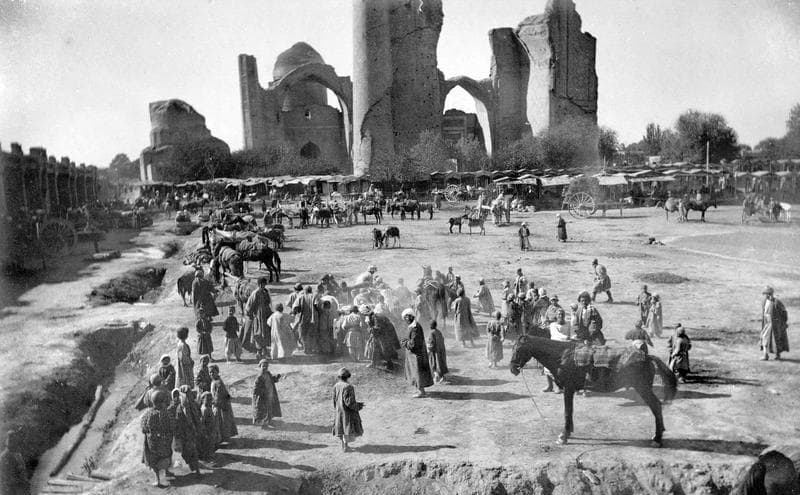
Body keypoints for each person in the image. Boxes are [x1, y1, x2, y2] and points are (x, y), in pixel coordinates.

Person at [141, 389, 174, 488]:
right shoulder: (166, 412)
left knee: (154, 461)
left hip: (152, 444)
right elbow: (170, 426)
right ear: (162, 401)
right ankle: (167, 472)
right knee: (166, 456)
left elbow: (144, 428)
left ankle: (158, 480)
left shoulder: (148, 414)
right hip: (165, 442)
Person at [401, 309, 434, 398]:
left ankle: (421, 392)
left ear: (411, 317)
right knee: (415, 371)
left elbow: (414, 343)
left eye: (406, 317)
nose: (405, 320)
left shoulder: (415, 328)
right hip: (414, 354)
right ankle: (419, 389)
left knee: (417, 371)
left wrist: (405, 342)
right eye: (405, 318)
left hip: (416, 354)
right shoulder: (413, 326)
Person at [332, 368, 364, 452]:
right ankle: (345, 447)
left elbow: (334, 399)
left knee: (341, 428)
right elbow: (349, 402)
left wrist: (336, 409)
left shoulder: (336, 385)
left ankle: (344, 446)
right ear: (347, 377)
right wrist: (358, 406)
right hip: (347, 412)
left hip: (339, 410)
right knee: (346, 428)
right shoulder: (348, 387)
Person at [173, 386, 201, 476]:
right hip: (187, 433)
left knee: (191, 451)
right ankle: (196, 469)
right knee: (190, 452)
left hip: (189, 433)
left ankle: (196, 470)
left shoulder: (185, 406)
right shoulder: (183, 407)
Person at [543, 309, 570, 393]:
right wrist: (566, 338)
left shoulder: (568, 324)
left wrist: (570, 338)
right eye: (559, 314)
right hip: (554, 347)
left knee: (561, 368)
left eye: (562, 314)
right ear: (556, 316)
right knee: (547, 366)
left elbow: (571, 334)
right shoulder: (552, 325)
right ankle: (550, 386)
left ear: (564, 315)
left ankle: (559, 387)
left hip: (565, 348)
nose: (560, 316)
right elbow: (556, 335)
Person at [209, 365, 238, 445]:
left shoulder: (218, 383)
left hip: (220, 405)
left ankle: (222, 437)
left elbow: (218, 395)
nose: (211, 374)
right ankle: (223, 436)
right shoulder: (214, 381)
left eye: (213, 372)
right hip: (219, 403)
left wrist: (214, 403)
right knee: (221, 421)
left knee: (221, 420)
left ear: (217, 372)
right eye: (210, 372)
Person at [245, 277, 272, 359]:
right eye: (262, 284)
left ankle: (264, 350)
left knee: (266, 333)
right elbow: (249, 305)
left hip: (266, 315)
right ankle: (258, 352)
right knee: (259, 333)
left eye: (264, 284)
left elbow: (268, 303)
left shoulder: (265, 292)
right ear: (259, 284)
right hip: (258, 316)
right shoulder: (255, 293)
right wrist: (250, 314)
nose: (264, 286)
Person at [760, 286, 789, 360]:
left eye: (766, 294)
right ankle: (766, 355)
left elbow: (784, 312)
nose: (765, 295)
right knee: (764, 337)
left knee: (776, 339)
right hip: (767, 322)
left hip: (775, 324)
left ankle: (776, 355)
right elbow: (765, 312)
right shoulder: (765, 301)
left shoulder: (776, 302)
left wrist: (783, 322)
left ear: (769, 294)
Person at [252, 360, 282, 427]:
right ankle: (263, 424)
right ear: (260, 366)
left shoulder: (268, 373)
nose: (265, 367)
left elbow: (271, 380)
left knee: (269, 409)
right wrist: (262, 393)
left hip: (270, 394)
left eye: (266, 366)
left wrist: (276, 378)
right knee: (263, 411)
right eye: (263, 366)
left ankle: (269, 421)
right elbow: (255, 389)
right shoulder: (259, 376)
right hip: (262, 397)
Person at [0, 431, 29, 495]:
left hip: (20, 488)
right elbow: (6, 478)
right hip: (11, 489)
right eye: (10, 440)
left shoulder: (18, 455)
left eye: (14, 440)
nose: (13, 442)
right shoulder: (4, 456)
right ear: (7, 442)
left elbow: (23, 472)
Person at [294, 286, 319, 354]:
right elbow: (317, 305)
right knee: (311, 334)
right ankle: (311, 348)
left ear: (305, 291)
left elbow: (295, 307)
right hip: (312, 319)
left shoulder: (301, 297)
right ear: (311, 290)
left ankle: (306, 348)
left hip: (303, 318)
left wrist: (297, 313)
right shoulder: (314, 296)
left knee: (303, 334)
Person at [197, 391, 218, 462]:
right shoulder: (204, 409)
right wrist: (204, 431)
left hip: (211, 428)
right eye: (207, 399)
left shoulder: (208, 407)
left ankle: (209, 455)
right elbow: (202, 421)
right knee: (207, 443)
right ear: (202, 400)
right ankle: (207, 457)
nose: (209, 401)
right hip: (207, 429)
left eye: (210, 399)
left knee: (211, 442)